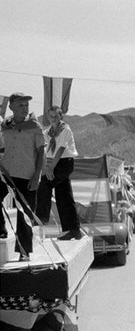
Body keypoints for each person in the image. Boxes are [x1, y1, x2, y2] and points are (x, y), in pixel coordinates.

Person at [0, 93, 45, 259]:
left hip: (27, 175)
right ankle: (1, 230)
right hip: (7, 174)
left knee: (25, 214)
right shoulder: (5, 126)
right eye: (21, 105)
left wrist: (37, 176)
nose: (25, 109)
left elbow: (41, 152)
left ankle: (24, 253)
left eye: (26, 105)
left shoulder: (34, 126)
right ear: (11, 107)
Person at [35, 105, 82, 240]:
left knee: (45, 184)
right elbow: (45, 150)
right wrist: (46, 167)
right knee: (64, 196)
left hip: (63, 162)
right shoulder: (48, 132)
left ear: (61, 116)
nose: (54, 119)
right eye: (51, 116)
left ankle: (41, 217)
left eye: (56, 116)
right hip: (52, 162)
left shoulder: (65, 129)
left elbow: (60, 149)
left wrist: (50, 170)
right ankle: (72, 229)